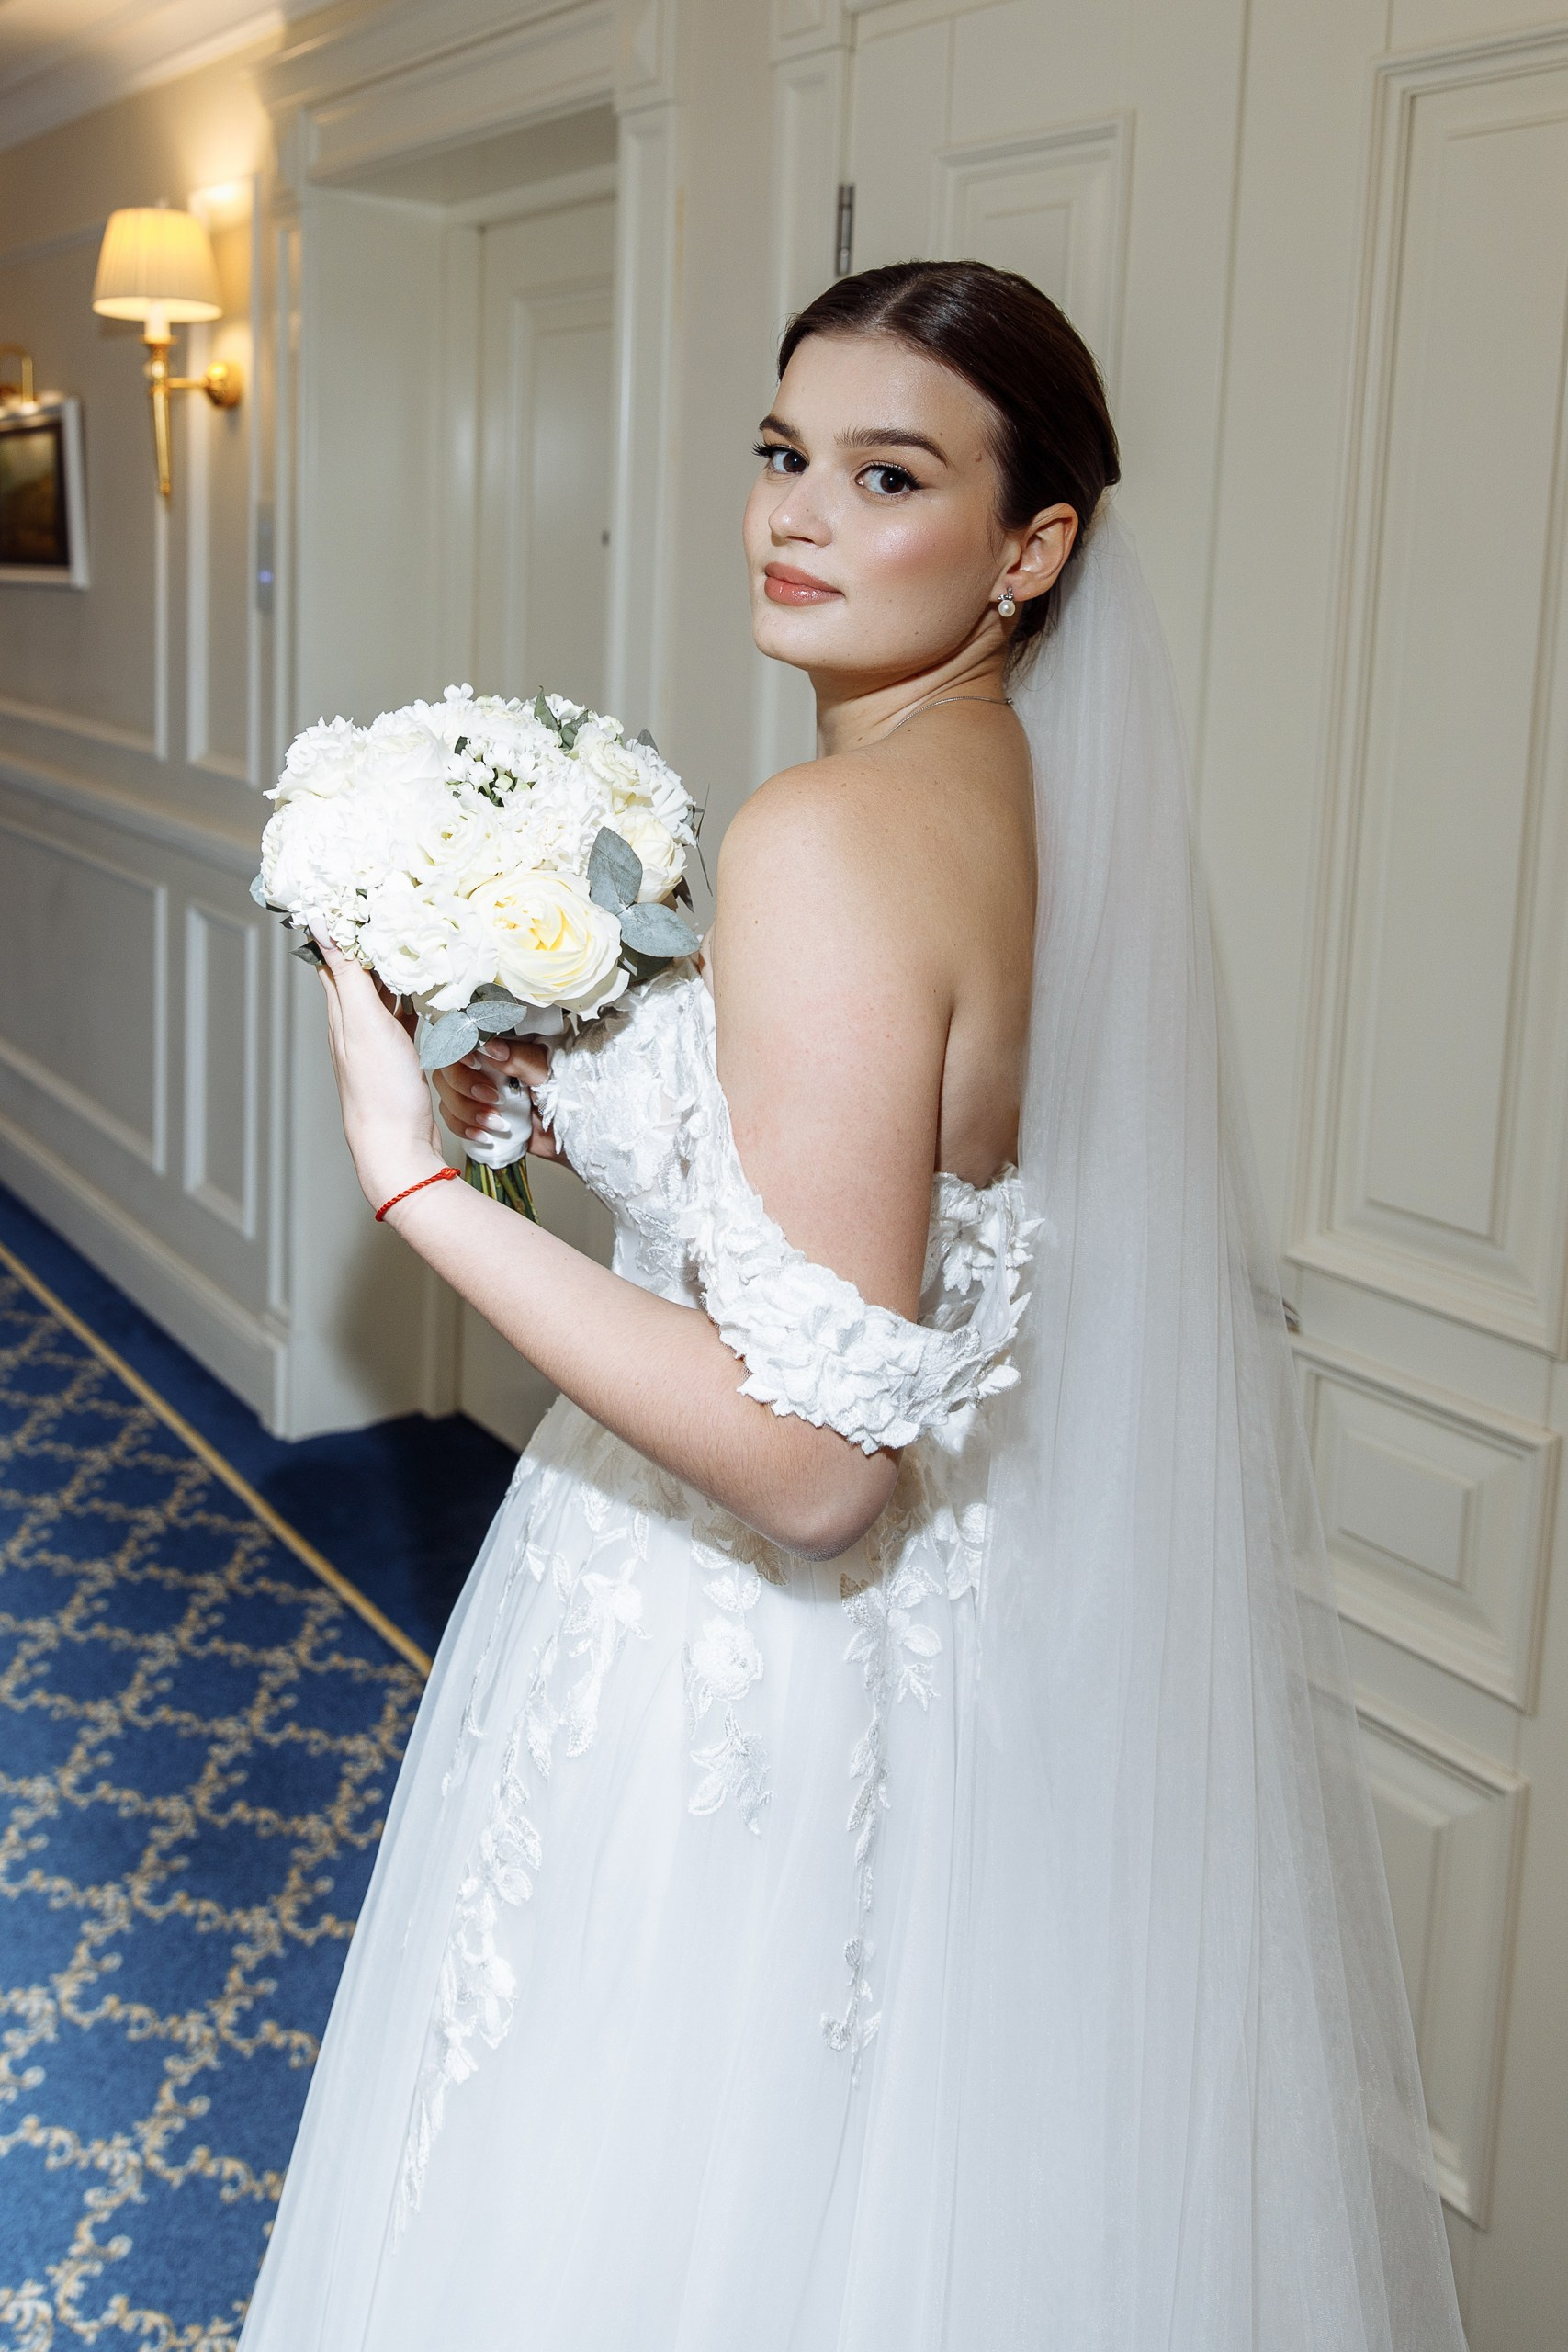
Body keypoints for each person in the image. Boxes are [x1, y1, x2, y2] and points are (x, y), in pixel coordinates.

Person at [239, 263, 1464, 2349]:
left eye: (888, 475)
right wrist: (584, 1099)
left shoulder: (822, 834)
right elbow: (851, 1201)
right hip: (939, 1646)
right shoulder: (1010, 794)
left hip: (722, 1649)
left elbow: (814, 1468)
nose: (796, 515)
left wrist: (418, 1183)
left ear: (1029, 545)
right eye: (781, 451)